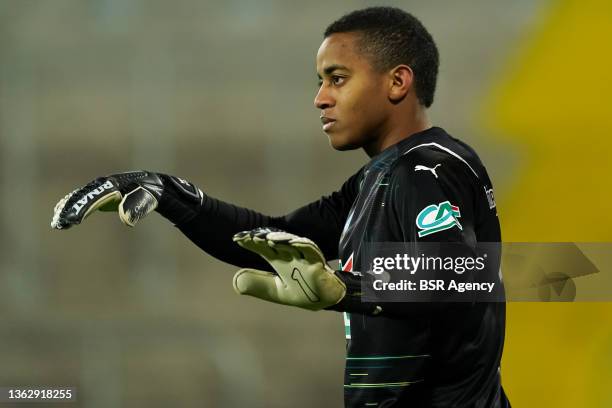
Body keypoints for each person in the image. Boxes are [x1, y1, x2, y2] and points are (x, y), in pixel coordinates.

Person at [51, 7, 510, 407]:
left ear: (397, 82)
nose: (320, 98)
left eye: (338, 78)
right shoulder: (378, 178)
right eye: (320, 82)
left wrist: (345, 289)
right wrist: (173, 195)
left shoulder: (426, 169)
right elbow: (269, 239)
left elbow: (462, 274)